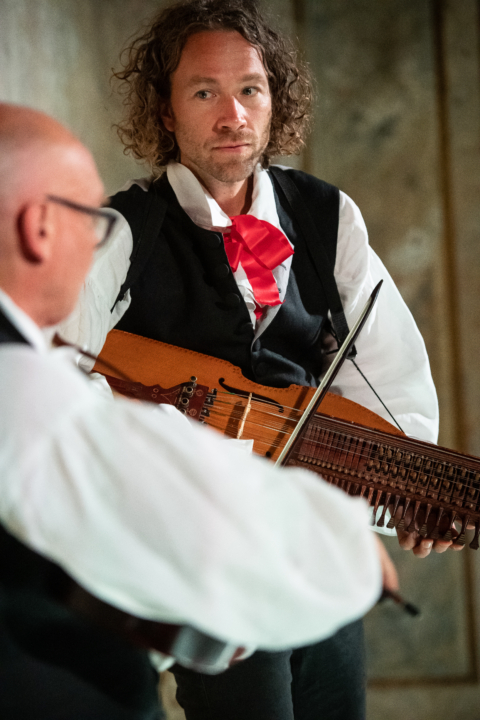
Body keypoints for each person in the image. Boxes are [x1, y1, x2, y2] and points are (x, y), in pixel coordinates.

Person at [58, 1, 447, 718]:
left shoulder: (328, 215)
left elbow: (389, 375)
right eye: (204, 92)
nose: (232, 115)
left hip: (309, 537)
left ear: (276, 101)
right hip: (203, 552)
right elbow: (56, 378)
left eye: (250, 90)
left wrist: (413, 484)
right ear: (167, 111)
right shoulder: (121, 231)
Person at [0, 102, 383, 720]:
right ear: (40, 229)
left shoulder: (325, 215)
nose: (101, 243)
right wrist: (346, 549)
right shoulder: (28, 388)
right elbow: (151, 498)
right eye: (89, 221)